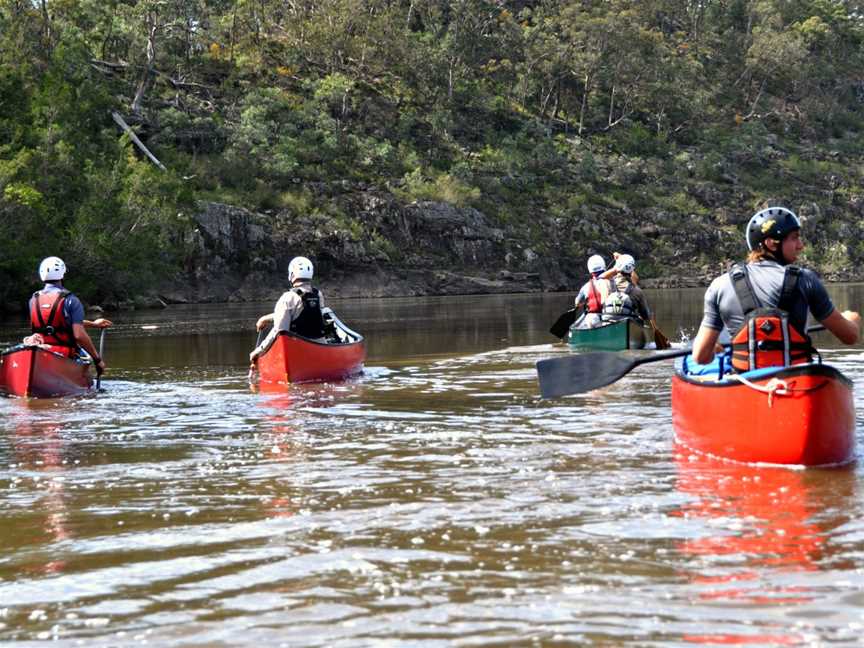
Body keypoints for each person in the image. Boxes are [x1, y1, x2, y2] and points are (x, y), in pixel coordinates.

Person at [692, 206, 860, 367]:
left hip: (745, 383)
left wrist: (714, 349)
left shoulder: (719, 285)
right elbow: (850, 337)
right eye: (794, 238)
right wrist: (851, 319)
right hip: (797, 382)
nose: (800, 245)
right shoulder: (806, 280)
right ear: (771, 243)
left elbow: (700, 356)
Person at [28, 256, 112, 373]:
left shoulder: (33, 299)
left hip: (40, 352)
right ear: (62, 274)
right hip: (64, 355)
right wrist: (97, 360)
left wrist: (94, 324)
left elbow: (57, 324)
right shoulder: (71, 300)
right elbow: (78, 335)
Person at [249, 256, 328, 367]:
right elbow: (298, 311)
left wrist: (257, 352)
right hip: (319, 351)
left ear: (291, 275)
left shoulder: (287, 298)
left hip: (297, 352)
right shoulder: (318, 295)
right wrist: (265, 318)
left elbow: (279, 331)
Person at [601, 254, 652, 323]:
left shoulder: (606, 284)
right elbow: (646, 316)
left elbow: (599, 278)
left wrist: (616, 267)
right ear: (632, 269)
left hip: (607, 324)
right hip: (628, 323)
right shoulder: (637, 291)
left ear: (617, 267)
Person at [573, 254, 610, 328]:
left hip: (593, 320)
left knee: (588, 320)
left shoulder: (585, 287)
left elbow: (577, 302)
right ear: (604, 266)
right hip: (609, 317)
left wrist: (585, 302)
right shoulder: (611, 281)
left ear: (590, 270)